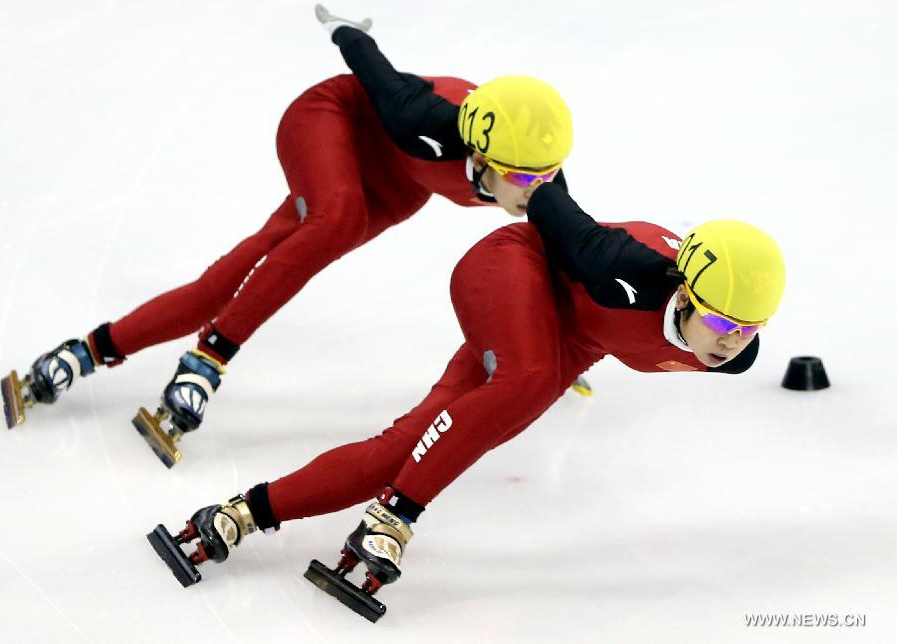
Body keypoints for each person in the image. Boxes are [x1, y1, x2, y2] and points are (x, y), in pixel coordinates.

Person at [147, 182, 786, 622]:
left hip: (560, 339)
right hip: (510, 272)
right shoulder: (623, 267)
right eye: (725, 326)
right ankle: (392, 519)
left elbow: (678, 338)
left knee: (409, 447)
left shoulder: (735, 349)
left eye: (750, 331)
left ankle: (235, 516)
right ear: (684, 293)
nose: (734, 345)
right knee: (527, 382)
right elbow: (546, 195)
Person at [0, 5, 575, 467]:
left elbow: (570, 250)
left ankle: (87, 351)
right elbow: (365, 59)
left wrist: (546, 345)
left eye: (547, 174)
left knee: (236, 276)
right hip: (332, 120)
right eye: (525, 177)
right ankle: (209, 359)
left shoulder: (537, 174)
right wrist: (346, 26)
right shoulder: (420, 117)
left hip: (395, 184)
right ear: (478, 153)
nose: (538, 189)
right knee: (337, 216)